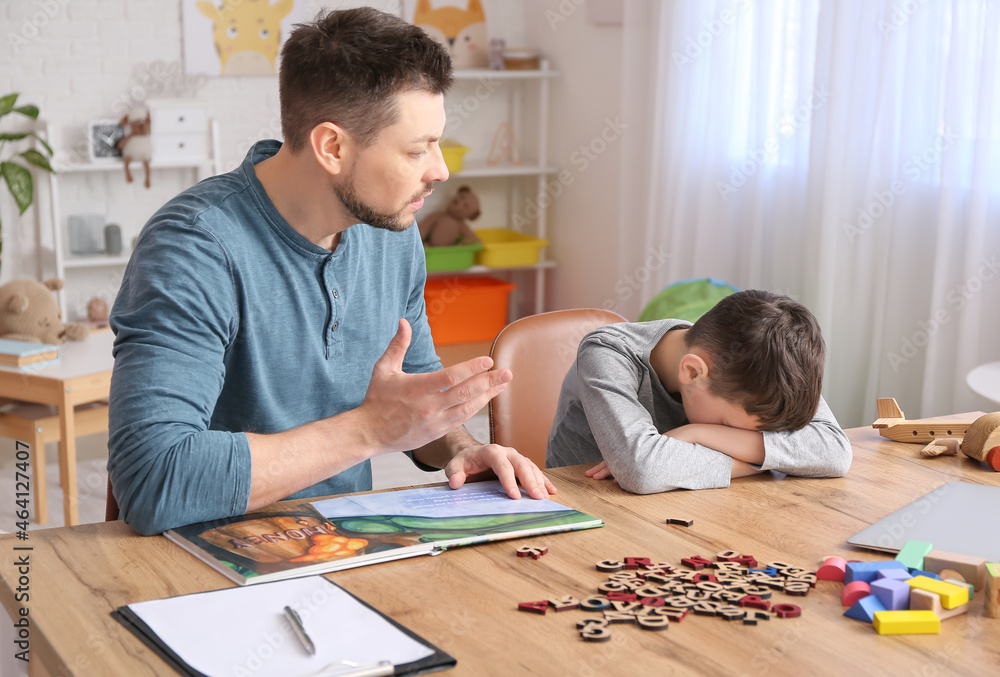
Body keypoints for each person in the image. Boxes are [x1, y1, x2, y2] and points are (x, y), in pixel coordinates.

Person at [108, 8, 553, 536]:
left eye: (437, 143)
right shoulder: (193, 248)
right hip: (202, 553)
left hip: (344, 543)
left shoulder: (393, 231)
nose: (441, 170)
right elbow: (154, 479)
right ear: (332, 147)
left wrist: (462, 447)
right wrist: (368, 430)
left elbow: (412, 398)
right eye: (417, 150)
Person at [546, 290, 852, 492]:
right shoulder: (607, 352)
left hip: (697, 506)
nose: (737, 441)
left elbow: (835, 452)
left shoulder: (761, 362)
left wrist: (698, 433)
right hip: (591, 505)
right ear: (692, 372)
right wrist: (764, 463)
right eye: (729, 427)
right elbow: (641, 470)